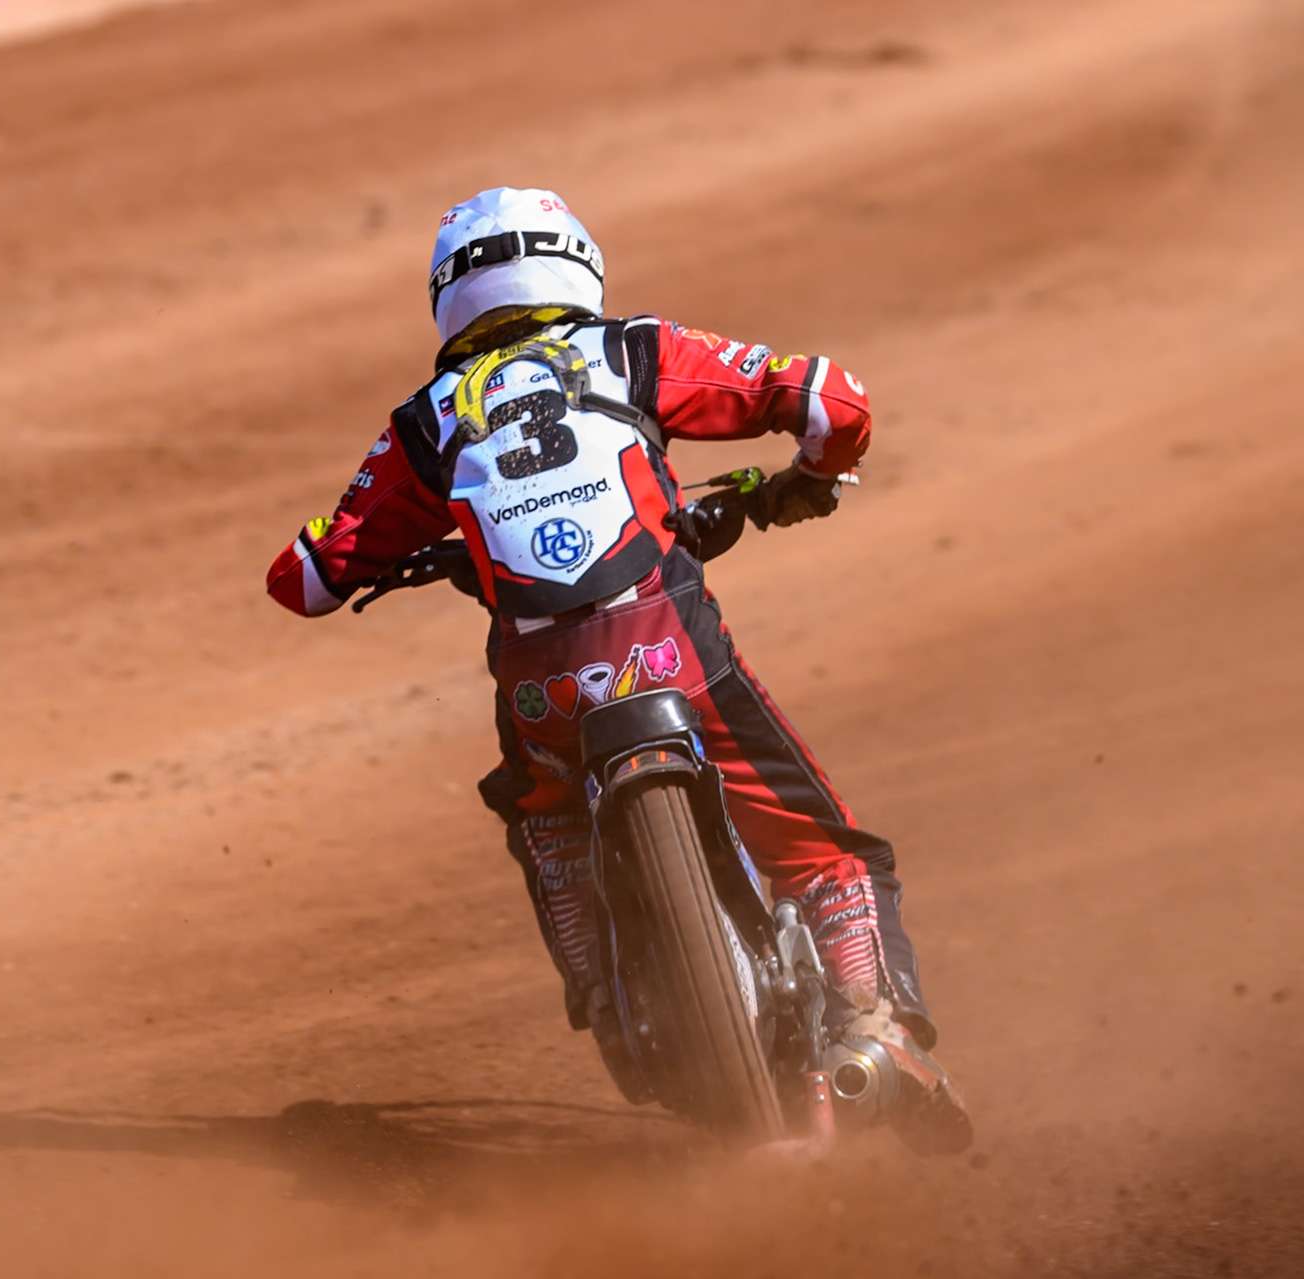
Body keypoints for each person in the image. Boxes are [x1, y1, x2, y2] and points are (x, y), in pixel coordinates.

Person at [265, 186, 969, 1153]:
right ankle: (877, 1032)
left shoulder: (426, 422)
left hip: (540, 685)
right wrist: (808, 477)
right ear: (576, 262)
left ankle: (598, 971)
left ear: (448, 298)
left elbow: (302, 580)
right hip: (672, 643)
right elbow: (832, 399)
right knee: (830, 854)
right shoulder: (632, 351)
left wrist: (379, 545)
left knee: (545, 807)